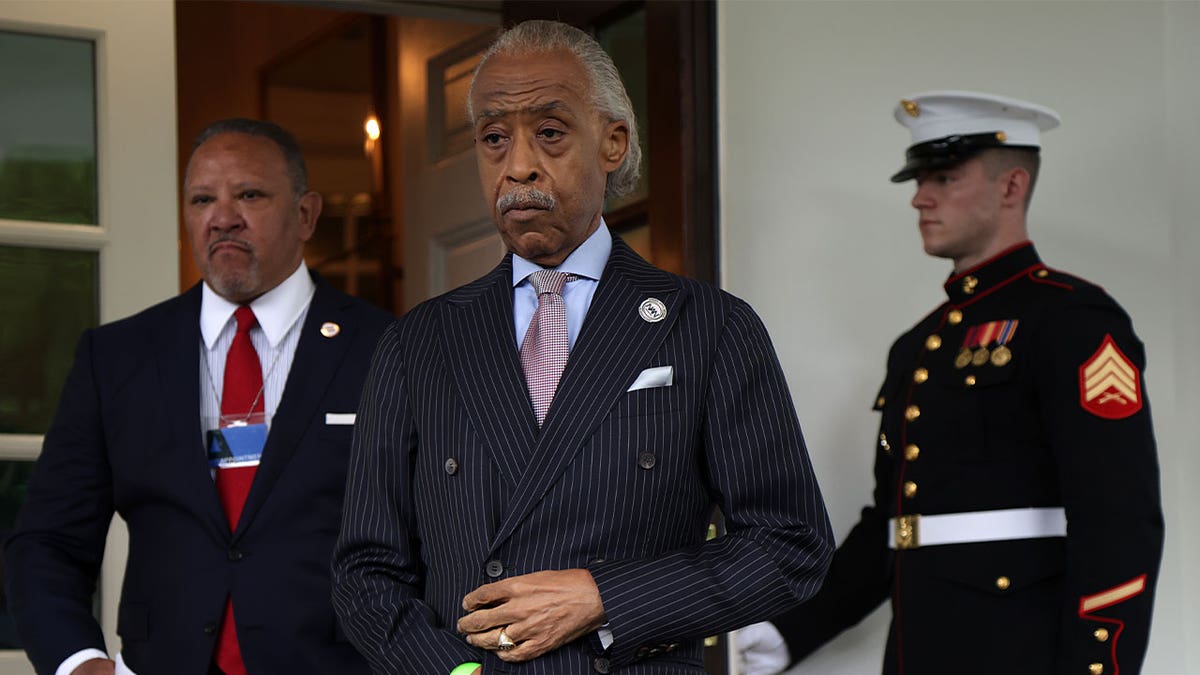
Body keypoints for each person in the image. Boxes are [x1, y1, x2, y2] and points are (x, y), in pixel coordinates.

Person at [331, 19, 834, 675]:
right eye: (492, 138)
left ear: (613, 142)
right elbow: (365, 567)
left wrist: (605, 596)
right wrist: (452, 672)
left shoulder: (709, 325)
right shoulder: (418, 342)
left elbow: (791, 545)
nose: (518, 165)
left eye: (549, 132)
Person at [744, 91, 1164, 675]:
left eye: (943, 177)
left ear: (1011, 187)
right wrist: (782, 636)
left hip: (1024, 653)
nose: (920, 197)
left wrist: (1098, 667)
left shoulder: (1072, 321)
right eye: (919, 180)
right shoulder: (917, 347)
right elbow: (893, 526)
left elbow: (1119, 517)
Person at [5, 118, 392, 675]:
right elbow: (46, 540)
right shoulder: (116, 357)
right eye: (202, 198)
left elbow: (437, 538)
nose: (223, 217)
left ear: (306, 214)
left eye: (250, 195)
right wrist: (79, 662)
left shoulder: (387, 349)